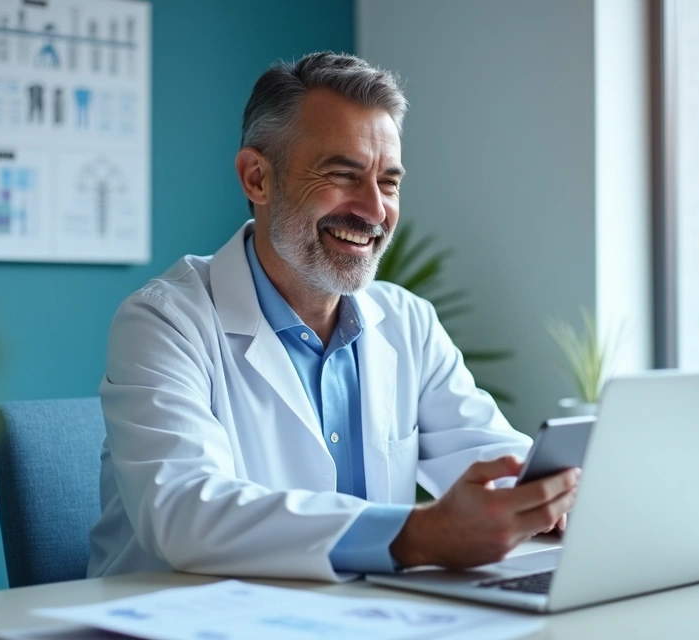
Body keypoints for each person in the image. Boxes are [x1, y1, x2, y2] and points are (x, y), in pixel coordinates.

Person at [87, 52, 579, 582]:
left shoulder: (407, 321)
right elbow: (185, 513)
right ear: (257, 178)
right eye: (343, 175)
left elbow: (491, 457)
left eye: (388, 183)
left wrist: (547, 500)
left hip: (358, 618)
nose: (373, 211)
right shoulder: (164, 322)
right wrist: (418, 535)